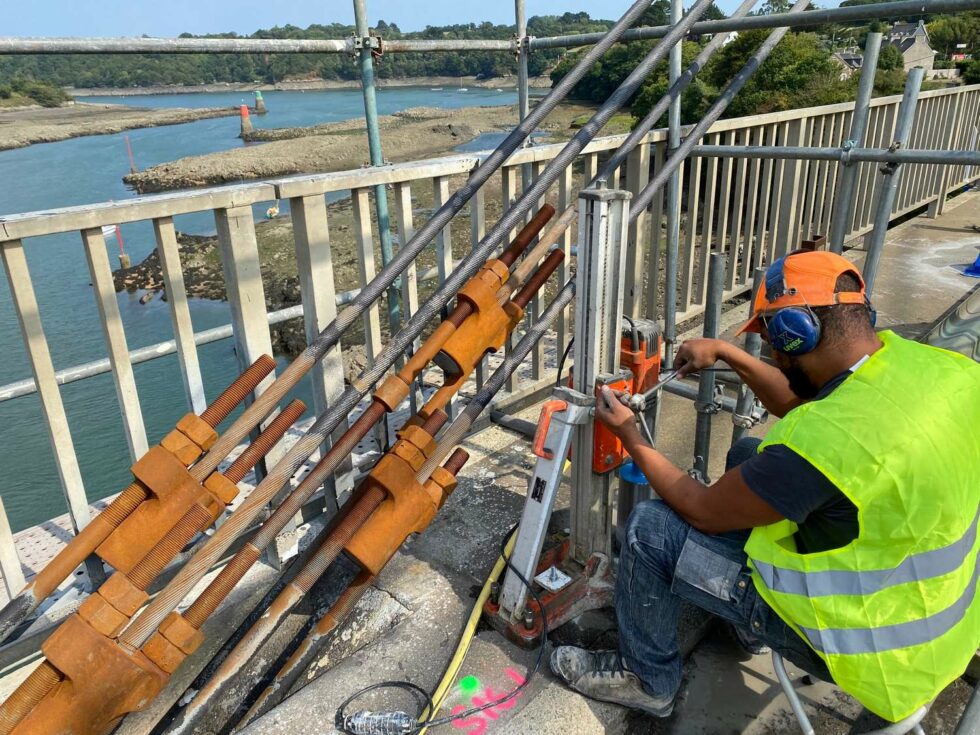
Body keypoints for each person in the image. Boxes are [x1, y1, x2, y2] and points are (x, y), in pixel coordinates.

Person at [550, 250, 980, 722]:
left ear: (795, 334)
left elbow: (703, 510)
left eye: (772, 340)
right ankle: (743, 628)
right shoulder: (938, 369)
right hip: (940, 620)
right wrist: (726, 353)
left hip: (867, 647)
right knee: (745, 455)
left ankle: (648, 680)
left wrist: (630, 435)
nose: (773, 352)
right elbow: (798, 402)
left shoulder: (830, 440)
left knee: (649, 529)